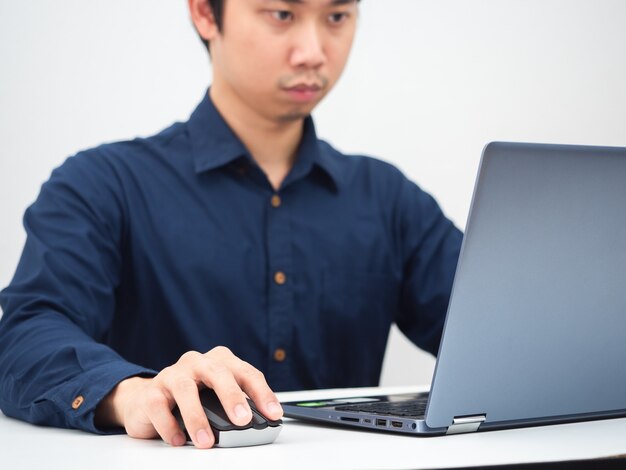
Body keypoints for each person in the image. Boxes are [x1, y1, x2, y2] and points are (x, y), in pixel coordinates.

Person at [0, 0, 462, 449]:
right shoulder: (102, 185)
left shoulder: (388, 198)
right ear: (205, 12)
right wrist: (135, 393)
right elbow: (25, 338)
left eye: (337, 16)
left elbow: (496, 329)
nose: (314, 51)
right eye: (283, 14)